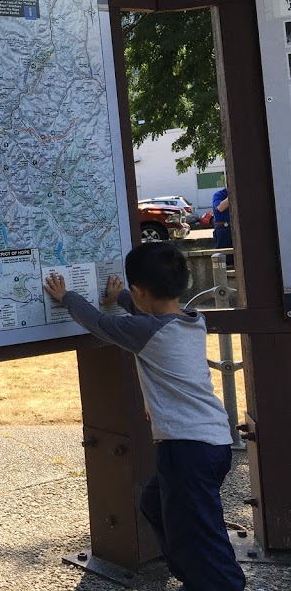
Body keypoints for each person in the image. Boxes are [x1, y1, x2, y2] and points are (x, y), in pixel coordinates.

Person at [43, 243, 245, 591]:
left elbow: (99, 324)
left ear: (139, 290)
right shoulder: (191, 321)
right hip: (213, 442)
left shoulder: (146, 332)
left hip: (186, 449)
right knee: (154, 503)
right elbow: (145, 316)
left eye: (132, 293)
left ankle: (222, 584)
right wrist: (122, 297)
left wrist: (66, 296)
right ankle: (194, 577)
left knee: (201, 533)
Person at [213, 185, 232, 254]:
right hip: (223, 229)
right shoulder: (219, 195)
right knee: (223, 255)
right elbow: (220, 208)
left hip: (236, 227)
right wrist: (231, 195)